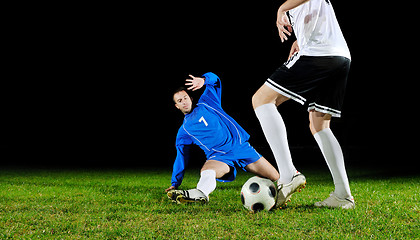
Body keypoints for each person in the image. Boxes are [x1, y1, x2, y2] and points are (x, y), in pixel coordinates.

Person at [252, 0, 355, 209]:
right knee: (319, 125)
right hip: (339, 56)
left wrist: (281, 9)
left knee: (262, 99)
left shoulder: (288, 4)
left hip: (319, 53)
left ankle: (288, 174)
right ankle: (343, 195)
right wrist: (300, 38)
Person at [166, 72, 281, 204]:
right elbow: (181, 157)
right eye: (180, 101)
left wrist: (204, 80)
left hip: (240, 146)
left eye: (185, 98)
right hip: (220, 157)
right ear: (177, 106)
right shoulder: (184, 131)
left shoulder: (208, 102)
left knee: (275, 176)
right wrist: (175, 183)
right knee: (207, 170)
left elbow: (216, 81)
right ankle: (200, 193)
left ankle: (266, 195)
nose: (184, 102)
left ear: (190, 98)